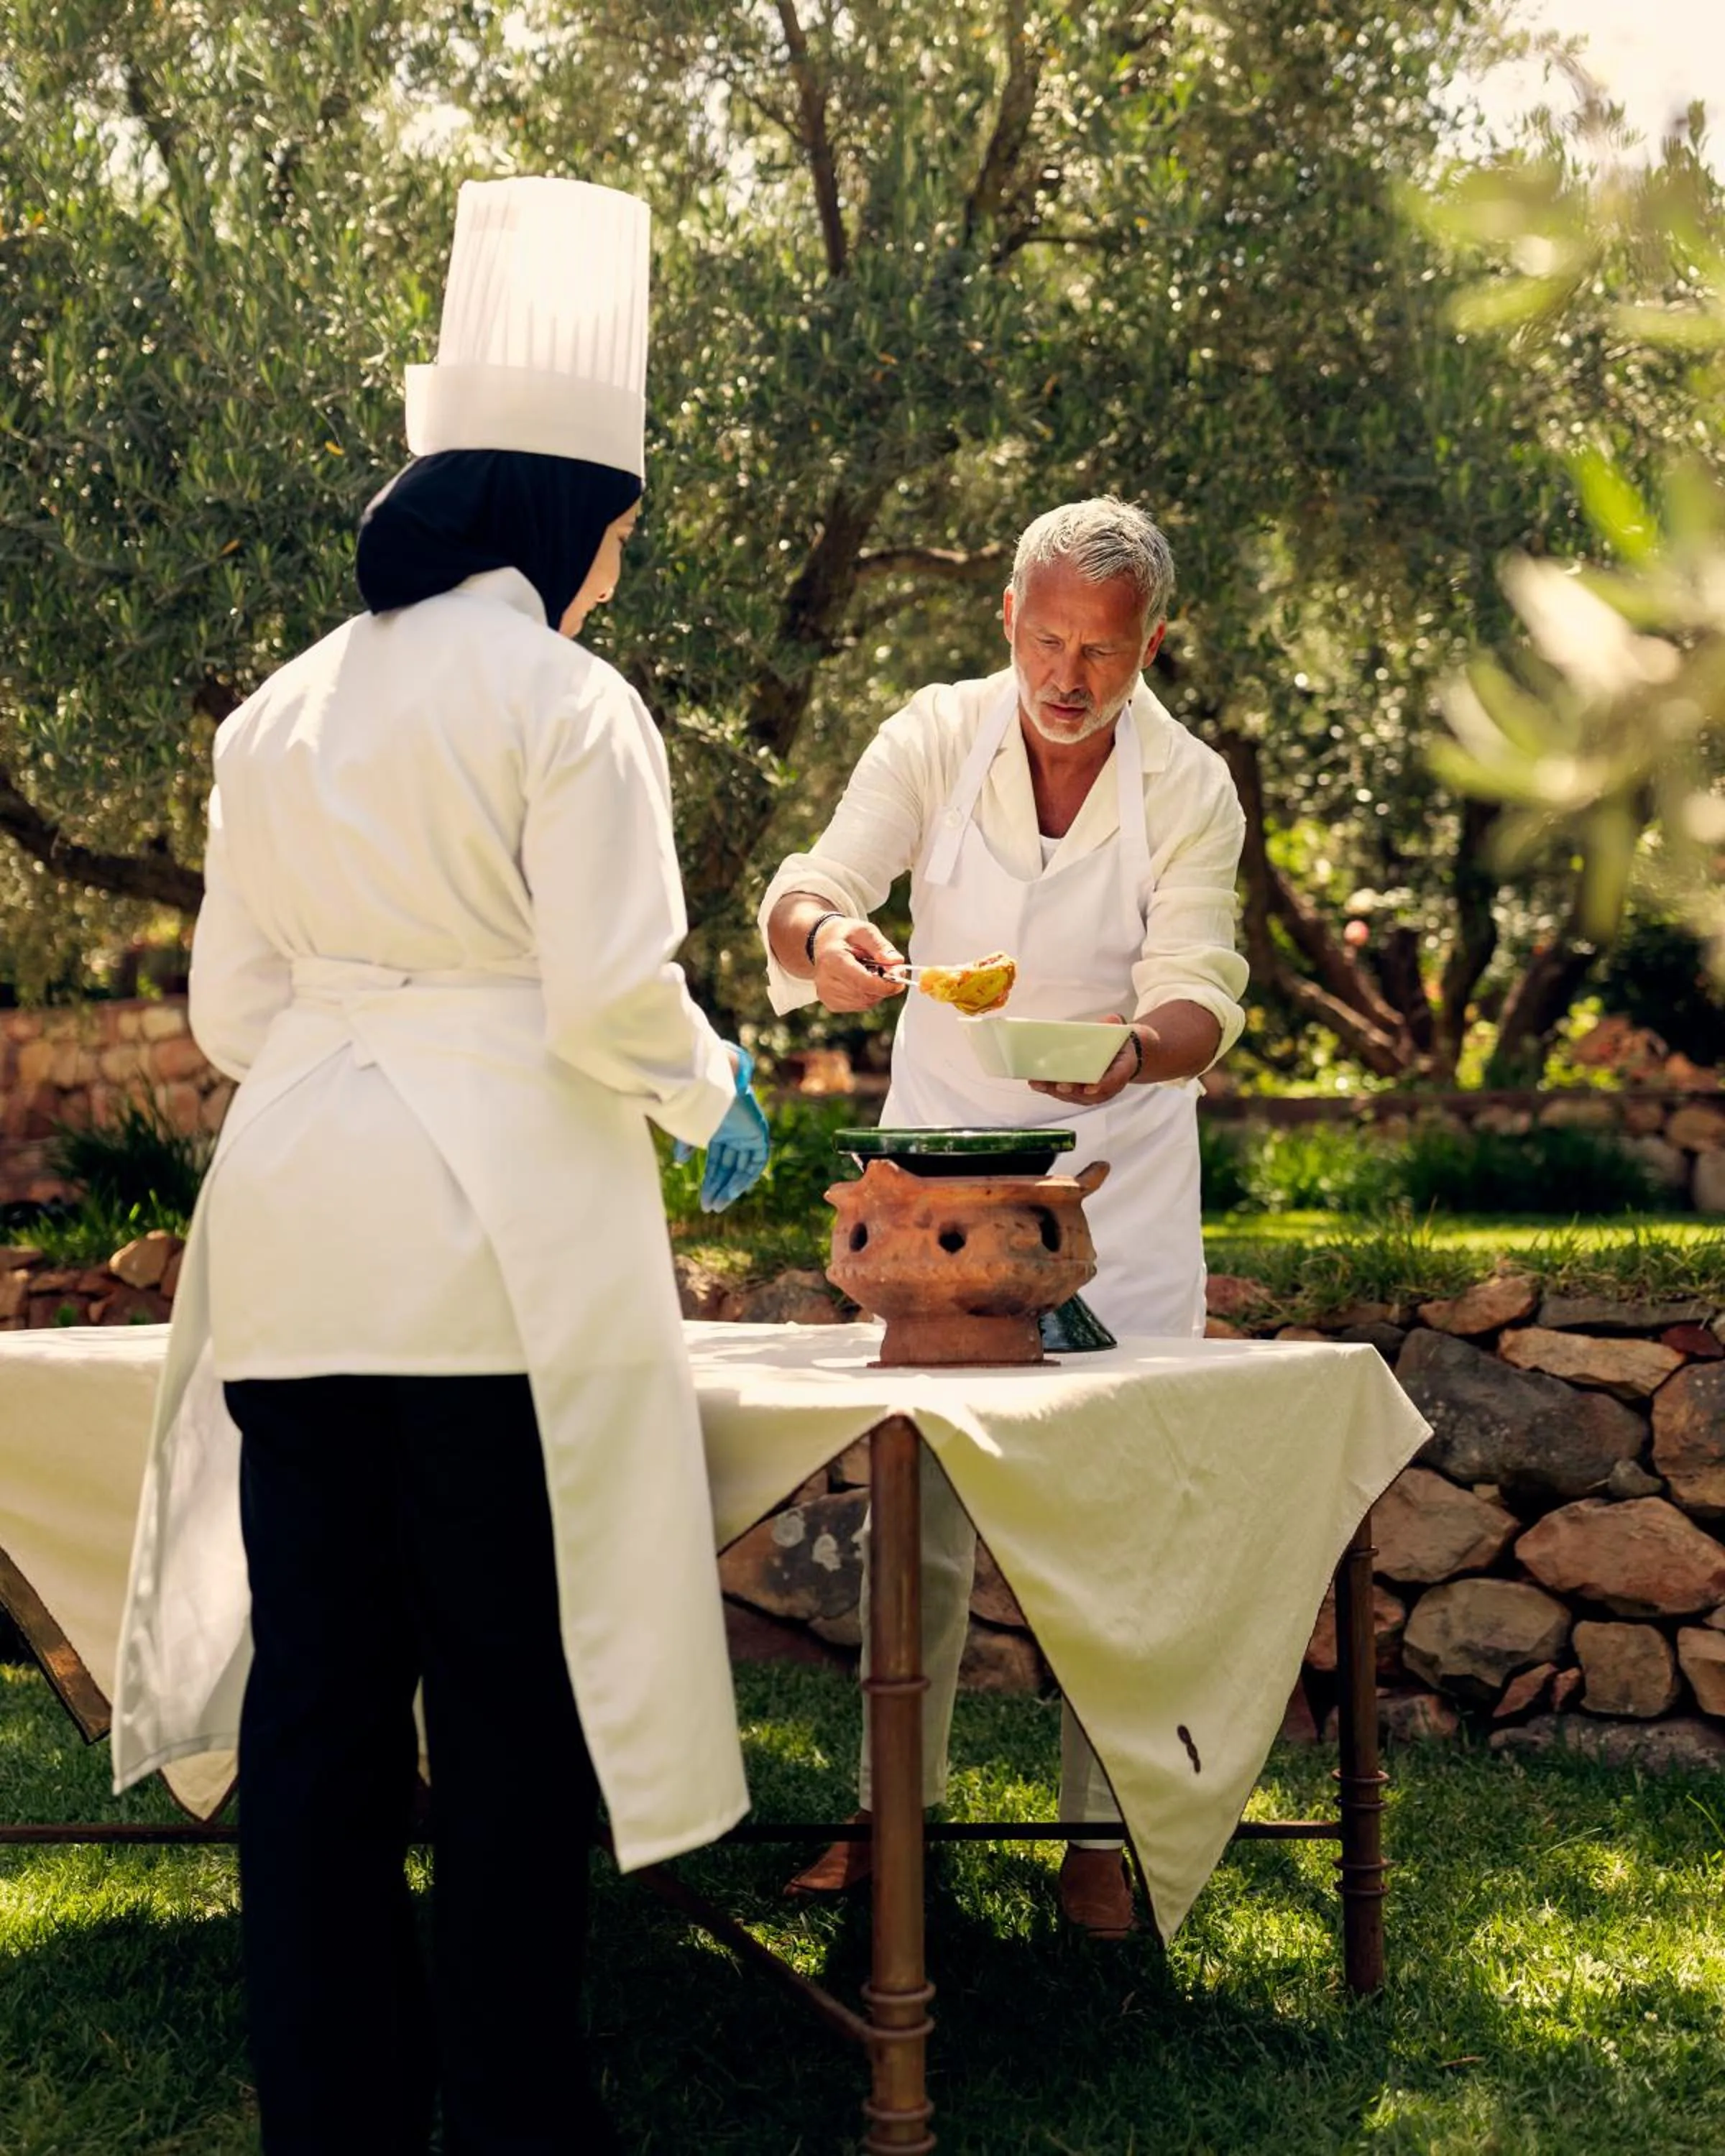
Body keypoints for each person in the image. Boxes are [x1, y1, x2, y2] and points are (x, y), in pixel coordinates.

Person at [111, 177, 769, 2153]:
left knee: (321, 1713)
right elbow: (607, 995)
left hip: (300, 1241)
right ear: (562, 518)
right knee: (506, 1702)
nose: (623, 577)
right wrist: (705, 1085)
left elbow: (233, 1014)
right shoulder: (571, 707)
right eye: (625, 537)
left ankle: (333, 2112)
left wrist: (365, 1018)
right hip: (490, 1263)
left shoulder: (275, 715)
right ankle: (514, 2115)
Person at [760, 497, 1247, 1938]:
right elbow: (815, 886)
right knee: (925, 1514)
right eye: (1045, 637)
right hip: (944, 1200)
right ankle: (884, 1813)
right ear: (1009, 623)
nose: (1069, 675)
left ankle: (1102, 1841)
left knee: (1121, 1524)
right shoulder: (933, 734)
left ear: (1151, 643)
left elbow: (1203, 983)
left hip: (1118, 1196)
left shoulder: (1191, 783)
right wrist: (829, 942)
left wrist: (1138, 1049)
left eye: (1103, 649)